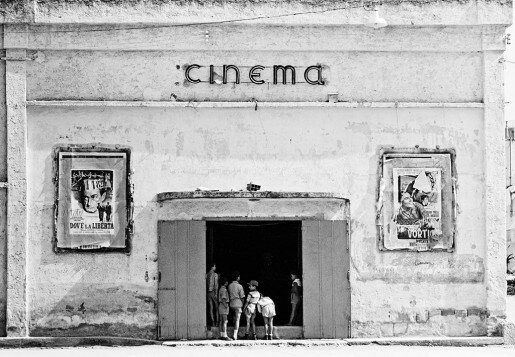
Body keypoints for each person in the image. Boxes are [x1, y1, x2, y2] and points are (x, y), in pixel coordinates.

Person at [227, 271, 245, 340]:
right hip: (238, 304)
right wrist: (242, 305)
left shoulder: (229, 285)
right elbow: (242, 297)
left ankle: (231, 332)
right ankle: (235, 335)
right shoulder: (240, 286)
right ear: (237, 278)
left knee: (233, 318)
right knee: (237, 319)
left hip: (231, 304)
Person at [206, 263, 219, 327]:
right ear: (212, 267)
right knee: (216, 307)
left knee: (211, 308)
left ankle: (212, 322)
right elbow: (216, 284)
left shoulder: (207, 274)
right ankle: (217, 322)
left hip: (208, 292)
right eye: (215, 266)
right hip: (213, 292)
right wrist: (216, 293)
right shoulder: (215, 274)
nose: (215, 267)